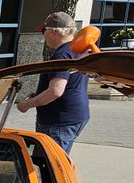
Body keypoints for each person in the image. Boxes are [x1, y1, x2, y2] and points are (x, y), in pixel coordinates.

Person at [15, 11, 89, 155]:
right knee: (60, 160)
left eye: (44, 30)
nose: (43, 35)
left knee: (49, 165)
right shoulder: (79, 49)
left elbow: (55, 91)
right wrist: (38, 95)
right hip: (74, 116)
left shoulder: (63, 55)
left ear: (53, 32)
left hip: (59, 121)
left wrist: (25, 105)